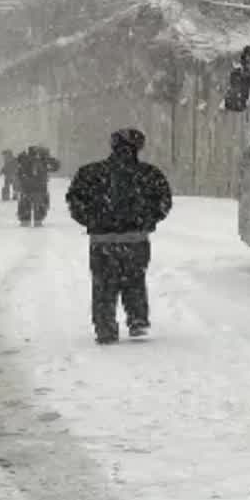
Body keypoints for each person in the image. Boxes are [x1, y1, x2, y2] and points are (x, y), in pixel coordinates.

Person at [66, 128, 173, 345]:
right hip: (136, 240)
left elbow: (75, 201)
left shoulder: (90, 173)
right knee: (135, 280)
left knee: (103, 284)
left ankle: (104, 326)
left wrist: (93, 221)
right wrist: (146, 220)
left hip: (102, 241)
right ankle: (137, 319)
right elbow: (163, 202)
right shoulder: (150, 174)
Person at [17, 144, 60, 226]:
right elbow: (56, 166)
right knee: (40, 205)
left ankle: (25, 221)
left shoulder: (25, 159)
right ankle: (38, 220)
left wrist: (22, 180)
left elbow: (19, 171)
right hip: (40, 188)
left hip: (27, 188)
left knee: (25, 205)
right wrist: (49, 158)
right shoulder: (43, 160)